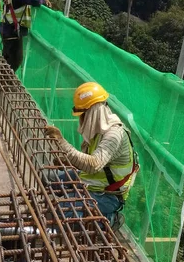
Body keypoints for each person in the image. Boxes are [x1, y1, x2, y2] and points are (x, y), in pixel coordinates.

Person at [45, 82, 139, 224]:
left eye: (83, 114)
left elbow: (94, 164)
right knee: (49, 180)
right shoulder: (99, 129)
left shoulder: (114, 135)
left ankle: (108, 220)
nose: (81, 118)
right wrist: (69, 162)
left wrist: (62, 143)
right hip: (92, 180)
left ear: (94, 110)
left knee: (58, 211)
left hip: (108, 195)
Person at [0, 0, 51, 72]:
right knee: (15, 61)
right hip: (12, 31)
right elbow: (35, 0)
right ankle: (3, 84)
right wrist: (44, 0)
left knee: (7, 60)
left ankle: (0, 83)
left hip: (6, 27)